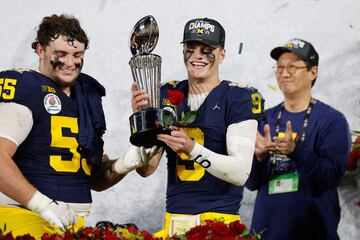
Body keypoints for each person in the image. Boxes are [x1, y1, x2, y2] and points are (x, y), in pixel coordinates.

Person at [0, 14, 152, 238]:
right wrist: (42, 204)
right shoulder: (27, 89)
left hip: (69, 221)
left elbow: (94, 180)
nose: (70, 63)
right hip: (22, 215)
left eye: (77, 55)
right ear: (40, 50)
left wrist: (123, 165)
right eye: (61, 55)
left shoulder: (87, 94)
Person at [131, 17, 264, 239]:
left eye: (206, 49)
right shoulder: (165, 94)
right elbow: (146, 170)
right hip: (173, 221)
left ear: (222, 54)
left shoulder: (239, 97)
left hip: (220, 223)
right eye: (190, 49)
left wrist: (192, 148)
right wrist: (143, 121)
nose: (197, 56)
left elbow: (240, 173)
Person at [245, 38, 351, 239]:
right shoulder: (265, 118)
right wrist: (259, 158)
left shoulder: (332, 120)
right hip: (266, 233)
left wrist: (295, 151)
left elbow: (330, 178)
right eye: (280, 67)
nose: (284, 73)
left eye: (292, 67)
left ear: (313, 72)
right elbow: (251, 183)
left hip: (315, 233)